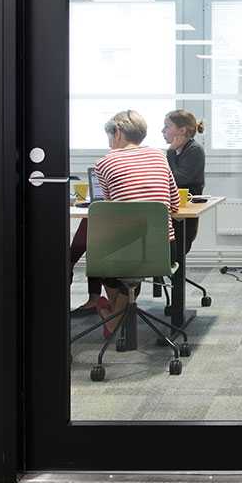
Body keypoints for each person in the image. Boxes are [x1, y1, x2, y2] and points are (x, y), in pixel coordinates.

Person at [68, 111, 179, 333]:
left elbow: (109, 209)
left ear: (117, 132)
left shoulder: (105, 162)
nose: (109, 142)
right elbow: (174, 203)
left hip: (122, 253)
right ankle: (116, 316)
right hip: (163, 252)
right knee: (128, 260)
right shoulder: (159, 156)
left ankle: (113, 317)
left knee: (101, 251)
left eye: (109, 136)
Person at [162, 109, 206, 254]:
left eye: (167, 126)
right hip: (175, 209)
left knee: (177, 250)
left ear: (182, 130)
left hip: (185, 213)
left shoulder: (194, 150)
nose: (163, 130)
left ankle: (173, 276)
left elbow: (177, 180)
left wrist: (170, 152)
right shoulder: (178, 151)